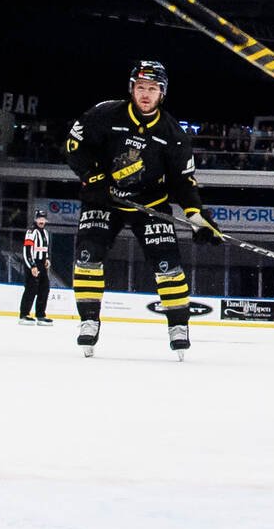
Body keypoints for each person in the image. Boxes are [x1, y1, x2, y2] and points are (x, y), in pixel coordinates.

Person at [64, 60, 223, 359]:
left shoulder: (173, 133)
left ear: (162, 93)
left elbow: (183, 182)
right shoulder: (105, 114)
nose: (145, 94)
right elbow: (74, 146)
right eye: (140, 87)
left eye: (152, 88)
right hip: (104, 199)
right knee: (87, 256)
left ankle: (178, 326)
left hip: (149, 203)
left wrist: (196, 216)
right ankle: (88, 319)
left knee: (168, 265)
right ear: (131, 89)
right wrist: (93, 177)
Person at [18, 209, 52, 325]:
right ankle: (24, 314)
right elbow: (27, 251)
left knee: (44, 288)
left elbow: (45, 249)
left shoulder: (46, 233)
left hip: (42, 264)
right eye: (39, 219)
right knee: (31, 289)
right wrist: (32, 266)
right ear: (35, 219)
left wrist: (47, 259)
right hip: (32, 263)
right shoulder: (31, 232)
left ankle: (40, 314)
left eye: (43, 219)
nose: (41, 221)